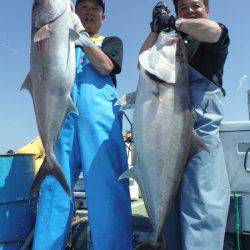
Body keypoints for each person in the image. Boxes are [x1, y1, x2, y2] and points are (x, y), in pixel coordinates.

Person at [32, 0, 132, 249]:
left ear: (104, 16)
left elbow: (105, 66)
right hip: (61, 125)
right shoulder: (59, 40)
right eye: (83, 7)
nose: (89, 12)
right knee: (54, 193)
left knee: (106, 192)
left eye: (95, 8)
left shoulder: (111, 42)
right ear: (73, 12)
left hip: (99, 129)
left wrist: (82, 37)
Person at [140, 1, 230, 249]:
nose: (190, 10)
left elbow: (212, 31)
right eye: (183, 7)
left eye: (196, 5)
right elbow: (142, 61)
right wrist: (156, 29)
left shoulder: (213, 35)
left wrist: (174, 22)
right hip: (167, 141)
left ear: (207, 10)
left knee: (202, 210)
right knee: (169, 214)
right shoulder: (170, 42)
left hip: (200, 142)